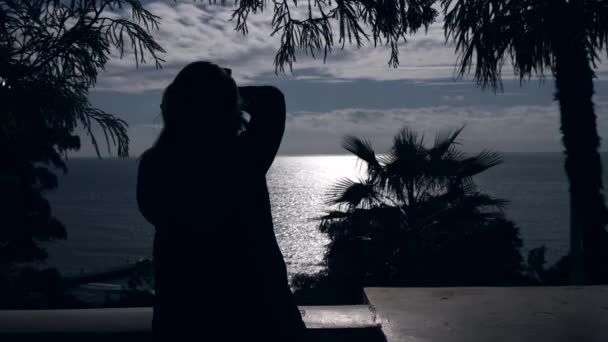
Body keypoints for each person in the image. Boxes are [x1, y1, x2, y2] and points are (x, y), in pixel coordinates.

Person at [136, 61, 306, 341]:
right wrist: (225, 90)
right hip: (263, 317)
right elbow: (272, 100)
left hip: (184, 318)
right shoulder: (244, 160)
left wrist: (195, 93)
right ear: (227, 107)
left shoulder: (154, 168)